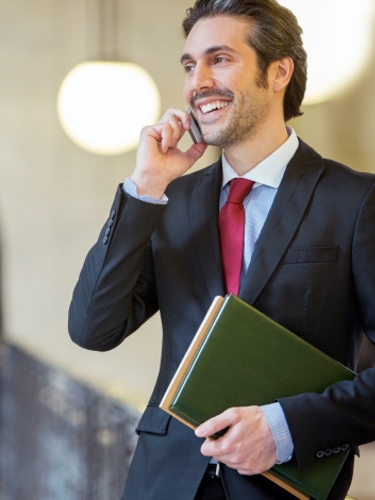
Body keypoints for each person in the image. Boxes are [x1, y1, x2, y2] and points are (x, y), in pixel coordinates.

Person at [68, 0, 375, 498]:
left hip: (281, 484)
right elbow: (92, 329)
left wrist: (284, 429)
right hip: (162, 481)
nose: (198, 81)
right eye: (190, 65)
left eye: (220, 59)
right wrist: (144, 187)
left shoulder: (356, 201)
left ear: (279, 72)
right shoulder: (168, 201)